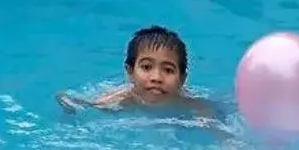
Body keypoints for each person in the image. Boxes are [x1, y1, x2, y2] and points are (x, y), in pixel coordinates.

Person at [61, 27, 225, 120]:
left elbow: (220, 131)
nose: (156, 78)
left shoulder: (193, 105)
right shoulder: (122, 98)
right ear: (130, 72)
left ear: (182, 79)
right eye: (146, 67)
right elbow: (85, 105)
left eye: (168, 70)